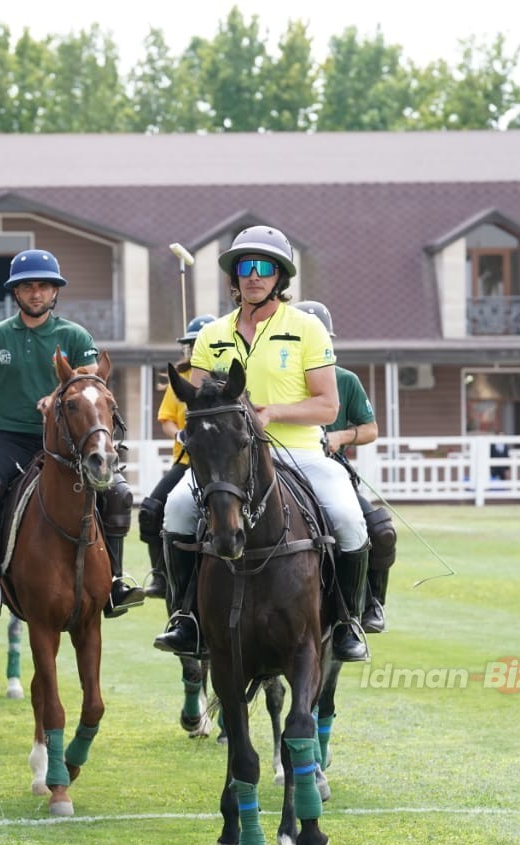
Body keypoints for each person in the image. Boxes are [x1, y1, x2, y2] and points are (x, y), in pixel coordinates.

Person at [154, 225, 371, 662]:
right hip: (231, 460)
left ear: (280, 277)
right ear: (234, 278)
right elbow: (196, 400)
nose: (254, 276)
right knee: (175, 509)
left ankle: (348, 621)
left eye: (264, 268)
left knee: (349, 520)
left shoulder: (307, 329)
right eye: (245, 268)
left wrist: (270, 413)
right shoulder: (212, 334)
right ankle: (185, 619)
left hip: (299, 452)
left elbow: (328, 407)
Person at [0, 248, 144, 619]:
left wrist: (53, 398)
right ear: (15, 293)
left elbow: (88, 378)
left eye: (44, 286)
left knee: (117, 492)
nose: (36, 293)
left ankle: (115, 581)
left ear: (55, 292)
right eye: (28, 287)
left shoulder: (74, 334)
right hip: (8, 438)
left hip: (66, 442)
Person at [294, 300, 397, 635]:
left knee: (381, 530)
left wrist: (340, 436)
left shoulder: (345, 380)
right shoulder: (280, 376)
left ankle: (370, 605)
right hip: (286, 467)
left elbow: (371, 429)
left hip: (333, 471)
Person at [139, 314, 215, 599]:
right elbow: (167, 418)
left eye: (201, 344)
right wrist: (178, 435)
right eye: (192, 344)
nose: (195, 349)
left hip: (220, 465)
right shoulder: (180, 380)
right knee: (150, 510)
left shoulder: (222, 379)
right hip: (185, 464)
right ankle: (161, 575)